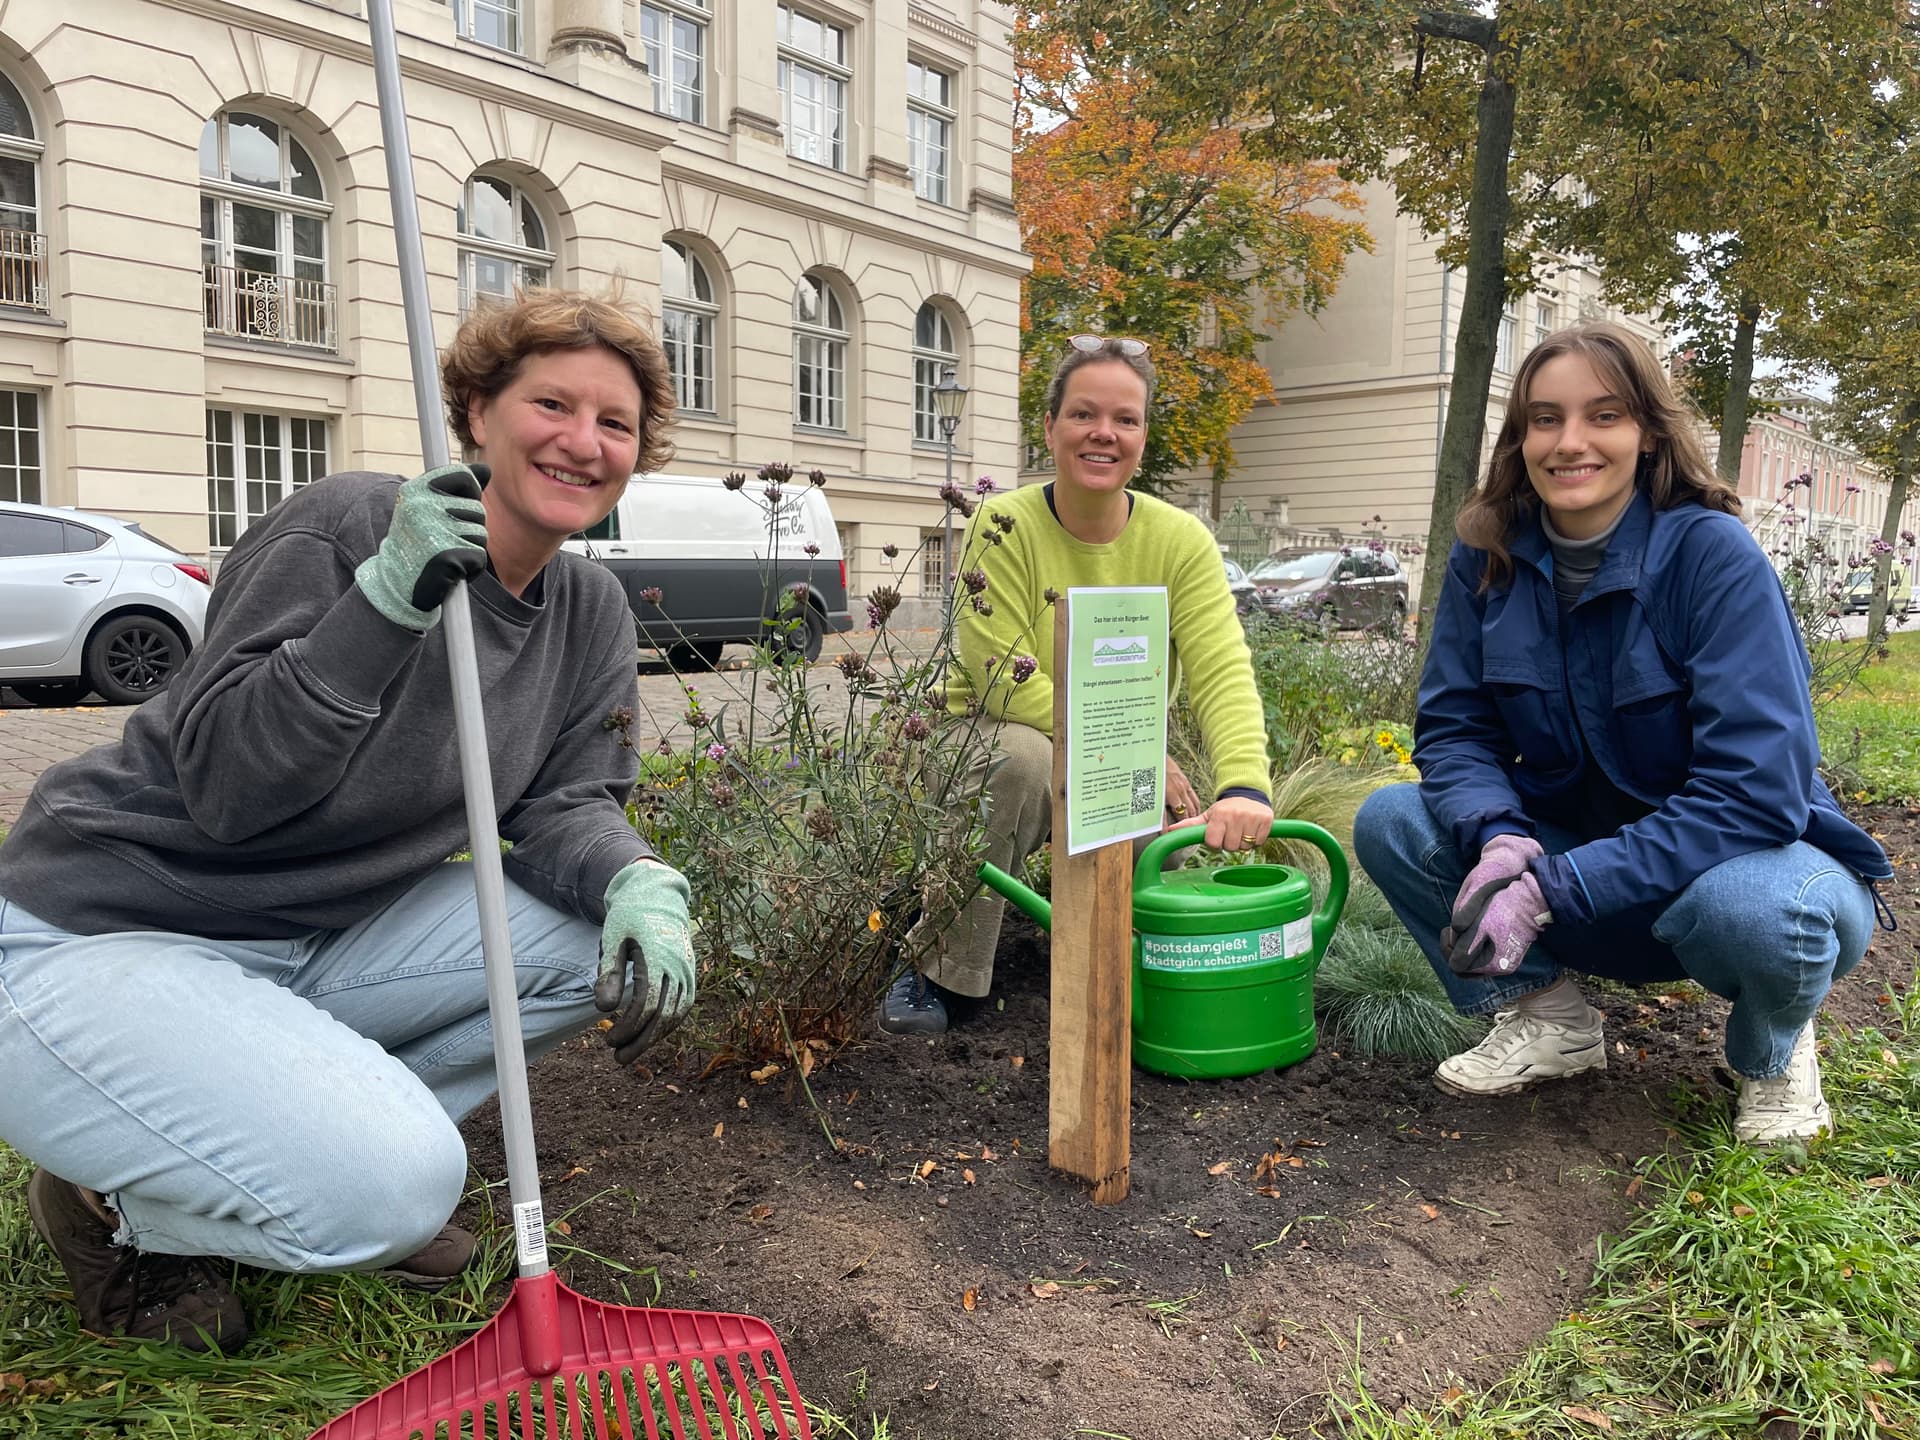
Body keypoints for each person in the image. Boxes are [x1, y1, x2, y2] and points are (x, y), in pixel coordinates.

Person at [0, 289, 696, 1353]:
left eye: (616, 423)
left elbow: (565, 805)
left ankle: (270, 1148)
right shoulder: (349, 527)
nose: (583, 441)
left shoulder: (588, 612)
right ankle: (116, 1209)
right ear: (474, 413)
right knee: (397, 1190)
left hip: (307, 939)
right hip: (101, 931)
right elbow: (229, 788)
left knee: (574, 933)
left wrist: (637, 877)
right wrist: (387, 603)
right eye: (551, 403)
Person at [1352, 321, 1893, 1144]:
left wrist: (1552, 888)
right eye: (1545, 418)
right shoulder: (1488, 556)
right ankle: (1551, 1022)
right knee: (1394, 820)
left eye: (1603, 415)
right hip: (1593, 872)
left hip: (1739, 872)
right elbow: (1455, 729)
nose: (1570, 442)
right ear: (1520, 437)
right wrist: (1500, 842)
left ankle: (1775, 1054)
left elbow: (1754, 795)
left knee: (1758, 912)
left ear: (1647, 432)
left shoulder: (1712, 557)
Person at [879, 334, 1275, 1035]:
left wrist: (1244, 785)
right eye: (1084, 414)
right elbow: (1000, 679)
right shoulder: (1003, 524)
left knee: (1170, 844)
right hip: (988, 741)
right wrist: (1132, 751)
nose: (1105, 433)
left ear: (1143, 437)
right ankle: (940, 965)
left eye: (1125, 419)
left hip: (1114, 741)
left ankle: (1134, 969)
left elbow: (1222, 668)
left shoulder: (1180, 541)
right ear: (1051, 426)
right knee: (1019, 761)